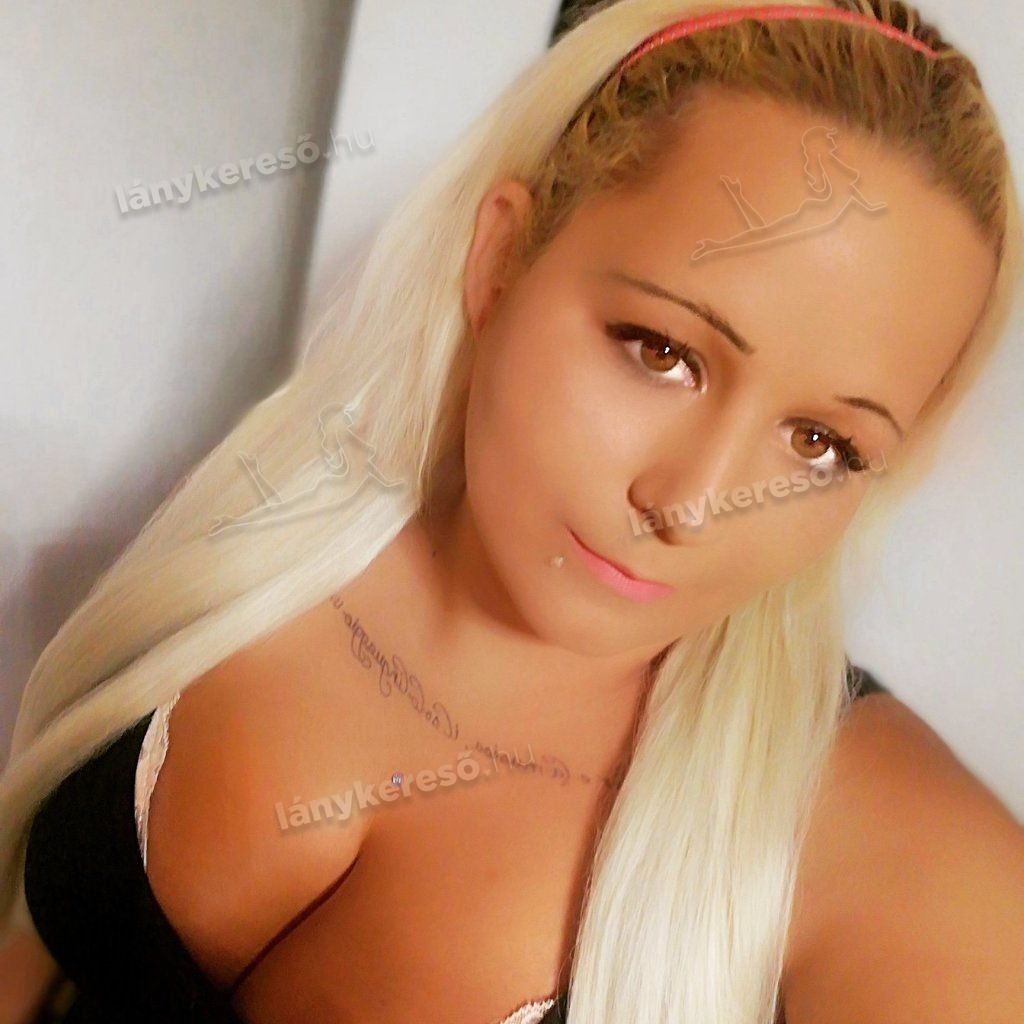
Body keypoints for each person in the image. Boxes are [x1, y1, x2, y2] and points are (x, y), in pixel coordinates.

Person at [2, 1, 1023, 1022]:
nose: (691, 504)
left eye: (821, 443)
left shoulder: (907, 862)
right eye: (661, 351)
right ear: (500, 258)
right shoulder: (275, 516)